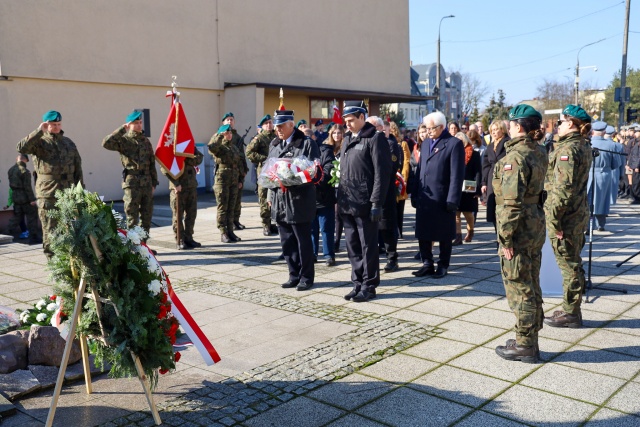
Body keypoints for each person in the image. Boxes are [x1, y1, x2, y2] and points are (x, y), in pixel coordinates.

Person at [493, 104, 548, 363]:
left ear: (517, 126)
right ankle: (529, 337)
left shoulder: (515, 157)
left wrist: (505, 238)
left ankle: (525, 344)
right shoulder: (538, 150)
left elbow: (511, 203)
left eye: (511, 124)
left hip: (519, 228)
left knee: (519, 285)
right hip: (534, 223)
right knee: (531, 281)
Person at [544, 104, 592, 329]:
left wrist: (554, 221)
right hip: (576, 213)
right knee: (572, 262)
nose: (558, 126)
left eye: (561, 122)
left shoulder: (568, 150)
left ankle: (571, 314)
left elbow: (562, 190)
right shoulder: (582, 144)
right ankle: (570, 308)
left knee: (569, 265)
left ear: (570, 123)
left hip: (566, 217)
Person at [338, 101, 392, 302]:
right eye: (345, 121)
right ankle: (357, 283)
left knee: (367, 246)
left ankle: (369, 285)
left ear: (362, 117)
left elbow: (382, 174)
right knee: (352, 246)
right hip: (347, 202)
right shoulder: (347, 138)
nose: (347, 124)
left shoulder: (375, 138)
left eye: (351, 120)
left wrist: (377, 202)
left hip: (365, 203)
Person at [17, 110, 84, 258]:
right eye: (53, 124)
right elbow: (21, 148)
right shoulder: (39, 142)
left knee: (69, 229)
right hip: (48, 193)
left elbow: (78, 167)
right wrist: (38, 131)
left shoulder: (68, 142)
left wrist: (80, 191)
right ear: (46, 124)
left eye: (59, 124)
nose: (57, 127)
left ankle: (69, 262)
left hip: (68, 191)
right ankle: (53, 262)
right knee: (50, 230)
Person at [268, 109, 320, 291]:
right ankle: (293, 274)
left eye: (281, 126)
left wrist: (292, 178)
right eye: (276, 126)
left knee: (302, 241)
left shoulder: (306, 143)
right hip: (280, 199)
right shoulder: (274, 144)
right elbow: (270, 172)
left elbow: (314, 171)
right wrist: (270, 195)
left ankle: (306, 277)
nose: (278, 129)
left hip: (299, 199)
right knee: (286, 241)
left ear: (291, 125)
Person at [411, 111, 465, 279]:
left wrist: (453, 199)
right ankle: (427, 263)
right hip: (425, 197)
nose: (428, 132)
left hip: (443, 197)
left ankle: (443, 264)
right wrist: (415, 192)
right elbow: (420, 169)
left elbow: (457, 175)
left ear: (441, 127)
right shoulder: (426, 143)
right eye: (426, 128)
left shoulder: (453, 144)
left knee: (444, 233)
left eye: (431, 128)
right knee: (423, 231)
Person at [102, 110, 159, 237]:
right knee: (132, 217)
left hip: (146, 182)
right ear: (129, 124)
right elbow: (106, 143)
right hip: (132, 183)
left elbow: (151, 163)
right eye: (135, 123)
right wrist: (122, 129)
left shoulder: (145, 141)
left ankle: (144, 244)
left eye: (140, 122)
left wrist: (154, 182)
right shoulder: (124, 140)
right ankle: (133, 244)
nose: (139, 125)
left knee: (147, 216)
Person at [370, 117, 400, 272]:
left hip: (386, 191)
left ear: (381, 128)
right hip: (370, 190)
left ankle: (392, 258)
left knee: (387, 225)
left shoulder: (391, 144)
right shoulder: (368, 141)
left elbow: (391, 168)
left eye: (373, 127)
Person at [160, 147, 204, 249]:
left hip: (191, 186)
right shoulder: (171, 146)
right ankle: (180, 239)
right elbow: (164, 167)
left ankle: (189, 238)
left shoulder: (188, 144)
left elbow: (200, 158)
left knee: (191, 214)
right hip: (178, 188)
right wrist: (176, 183)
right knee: (178, 215)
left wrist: (184, 158)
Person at [208, 123, 244, 243]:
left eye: (230, 133)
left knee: (231, 207)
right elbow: (212, 147)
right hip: (222, 180)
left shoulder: (233, 147)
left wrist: (240, 180)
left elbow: (238, 164)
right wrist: (219, 135)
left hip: (233, 180)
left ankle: (230, 231)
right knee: (223, 207)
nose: (229, 135)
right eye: (227, 133)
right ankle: (223, 232)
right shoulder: (219, 146)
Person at [587, 121, 622, 231]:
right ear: (604, 132)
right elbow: (616, 164)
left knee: (588, 199)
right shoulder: (611, 145)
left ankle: (587, 225)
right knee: (602, 200)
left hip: (588, 174)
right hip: (604, 174)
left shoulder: (587, 143)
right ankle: (600, 224)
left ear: (592, 131)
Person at [246, 114, 277, 236]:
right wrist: (264, 159)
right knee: (264, 198)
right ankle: (266, 225)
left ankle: (273, 223)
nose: (269, 125)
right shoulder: (259, 138)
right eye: (266, 123)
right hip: (264, 172)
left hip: (275, 172)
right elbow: (249, 152)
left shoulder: (276, 137)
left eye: (270, 122)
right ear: (262, 126)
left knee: (275, 198)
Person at [219, 112, 249, 230]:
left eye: (231, 119)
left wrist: (244, 170)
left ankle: (235, 220)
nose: (230, 121)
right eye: (227, 120)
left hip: (237, 171)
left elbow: (242, 156)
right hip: (225, 172)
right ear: (223, 122)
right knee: (225, 202)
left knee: (236, 199)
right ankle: (226, 225)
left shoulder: (238, 137)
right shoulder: (220, 136)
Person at [481, 120, 510, 241]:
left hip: (505, 178)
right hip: (491, 179)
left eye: (496, 129)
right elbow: (486, 165)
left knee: (503, 211)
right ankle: (498, 238)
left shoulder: (508, 143)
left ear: (502, 130)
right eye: (492, 130)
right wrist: (483, 182)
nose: (493, 132)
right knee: (493, 211)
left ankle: (504, 239)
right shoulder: (490, 146)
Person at [311, 128, 336, 266]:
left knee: (326, 228)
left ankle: (329, 255)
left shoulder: (325, 151)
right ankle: (312, 254)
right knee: (311, 229)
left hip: (324, 197)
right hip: (309, 199)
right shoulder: (301, 153)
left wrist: (312, 179)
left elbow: (328, 171)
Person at [453, 132, 482, 244]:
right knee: (456, 213)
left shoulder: (474, 154)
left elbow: (478, 172)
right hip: (456, 186)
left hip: (469, 186)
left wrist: (477, 189)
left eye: (461, 141)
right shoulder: (454, 153)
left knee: (468, 213)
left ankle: (470, 231)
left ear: (466, 140)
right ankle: (458, 236)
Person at [7, 154, 41, 244]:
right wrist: (32, 199)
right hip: (25, 197)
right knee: (32, 217)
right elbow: (27, 187)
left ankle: (5, 233)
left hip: (15, 196)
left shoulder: (11, 170)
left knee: (17, 217)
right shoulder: (24, 171)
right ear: (25, 160)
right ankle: (34, 237)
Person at [326, 124, 346, 254]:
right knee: (331, 215)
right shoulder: (327, 147)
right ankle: (331, 241)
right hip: (330, 185)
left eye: (339, 133)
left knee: (338, 214)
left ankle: (337, 242)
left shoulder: (345, 147)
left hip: (342, 185)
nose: (336, 135)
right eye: (334, 133)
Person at [391, 122, 411, 240]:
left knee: (399, 207)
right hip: (390, 178)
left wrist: (403, 177)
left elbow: (406, 162)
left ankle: (399, 231)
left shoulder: (403, 144)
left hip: (400, 179)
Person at [605, 125, 626, 206]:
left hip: (602, 169)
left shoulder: (597, 144)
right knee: (613, 189)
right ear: (613, 134)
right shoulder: (618, 146)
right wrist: (621, 174)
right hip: (615, 170)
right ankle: (610, 205)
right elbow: (622, 161)